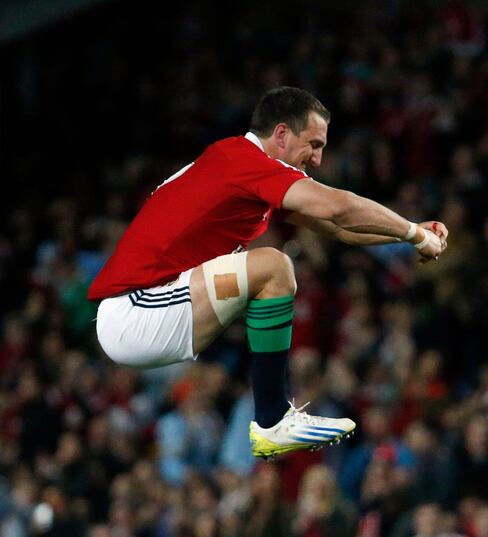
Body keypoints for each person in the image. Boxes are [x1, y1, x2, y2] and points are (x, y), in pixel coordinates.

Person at [87, 86, 448, 459]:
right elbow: (337, 207)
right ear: (281, 134)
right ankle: (272, 420)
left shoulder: (242, 171)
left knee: (271, 269)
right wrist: (414, 233)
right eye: (314, 143)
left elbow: (339, 229)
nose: (319, 159)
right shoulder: (244, 162)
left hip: (147, 308)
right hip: (135, 311)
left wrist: (409, 232)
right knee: (273, 267)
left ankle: (272, 419)